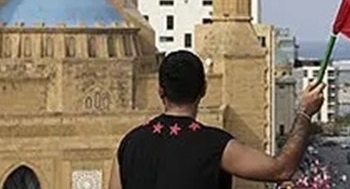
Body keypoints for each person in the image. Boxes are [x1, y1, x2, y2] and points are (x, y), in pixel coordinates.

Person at [109, 50, 326, 189]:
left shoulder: (129, 144)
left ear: (160, 90)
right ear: (204, 89)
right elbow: (282, 169)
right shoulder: (215, 146)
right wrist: (304, 113)